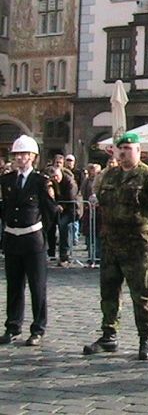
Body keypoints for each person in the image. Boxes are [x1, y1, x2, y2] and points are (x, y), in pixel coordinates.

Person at [83, 132, 148, 361]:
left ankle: (145, 339)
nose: (123, 152)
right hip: (111, 243)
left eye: (129, 148)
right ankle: (109, 335)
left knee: (141, 294)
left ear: (139, 151)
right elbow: (100, 200)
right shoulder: (107, 176)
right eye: (120, 148)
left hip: (138, 245)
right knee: (109, 291)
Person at [0, 135, 57, 346]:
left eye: (24, 154)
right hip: (12, 238)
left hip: (33, 239)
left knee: (37, 286)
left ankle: (38, 329)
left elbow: (50, 211)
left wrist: (42, 234)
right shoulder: (6, 180)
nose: (20, 158)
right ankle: (12, 326)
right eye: (17, 155)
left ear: (33, 157)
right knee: (14, 286)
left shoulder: (41, 181)